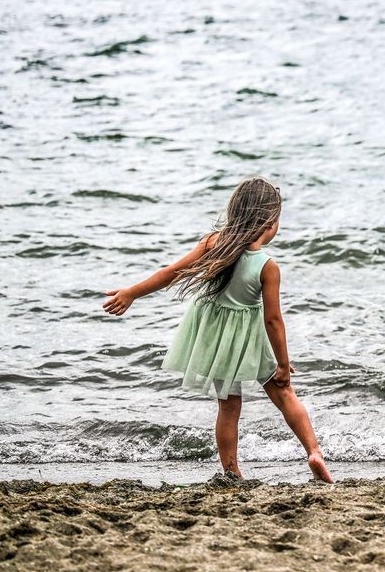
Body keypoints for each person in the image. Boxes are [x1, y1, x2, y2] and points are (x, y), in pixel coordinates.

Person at [102, 177, 333, 482]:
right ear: (269, 223)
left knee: (228, 406)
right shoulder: (267, 266)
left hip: (214, 338)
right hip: (248, 339)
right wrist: (284, 364)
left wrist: (132, 292)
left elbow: (172, 273)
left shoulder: (214, 243)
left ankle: (231, 471)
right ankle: (314, 451)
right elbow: (273, 321)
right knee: (284, 393)